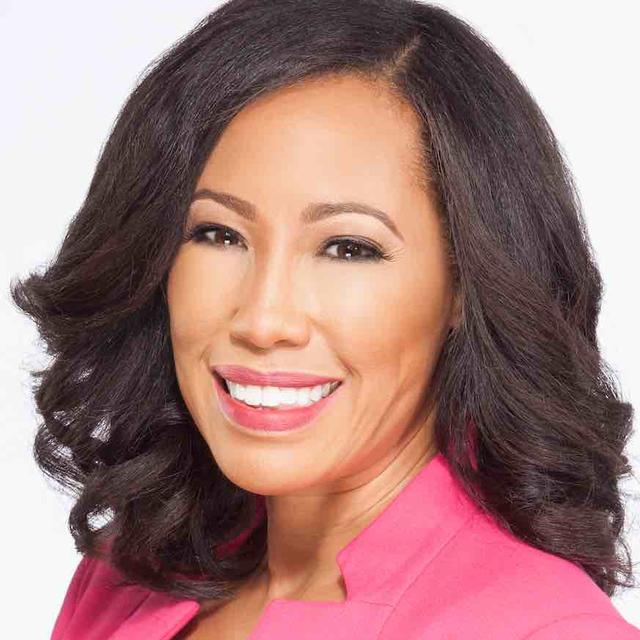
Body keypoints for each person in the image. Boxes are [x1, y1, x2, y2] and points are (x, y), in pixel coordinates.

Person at [11, 0, 639, 638]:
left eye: (348, 248)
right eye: (218, 234)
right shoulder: (126, 574)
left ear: (464, 286)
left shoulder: (545, 629)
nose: (263, 319)